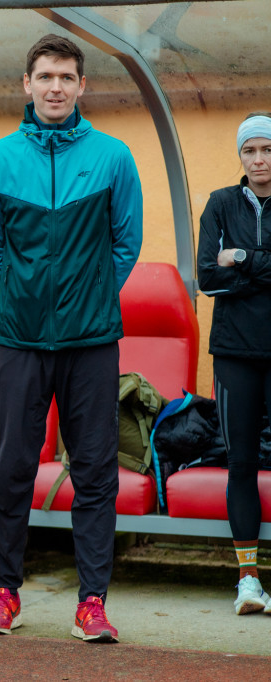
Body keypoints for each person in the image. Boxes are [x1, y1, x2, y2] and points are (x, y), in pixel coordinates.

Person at [0, 34, 142, 643]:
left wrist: (92, 294)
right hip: (19, 338)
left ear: (82, 86)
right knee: (12, 466)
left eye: (67, 77)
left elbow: (127, 242)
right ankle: (3, 593)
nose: (55, 87)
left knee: (95, 471)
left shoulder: (114, 156)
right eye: (45, 76)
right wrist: (25, 292)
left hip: (92, 340)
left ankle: (91, 602)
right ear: (27, 84)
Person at [197, 112, 271, 616]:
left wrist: (241, 258)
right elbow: (206, 275)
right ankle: (248, 581)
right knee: (240, 465)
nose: (260, 159)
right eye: (251, 151)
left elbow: (226, 267)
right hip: (235, 352)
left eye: (267, 149)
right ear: (240, 156)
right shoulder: (221, 203)